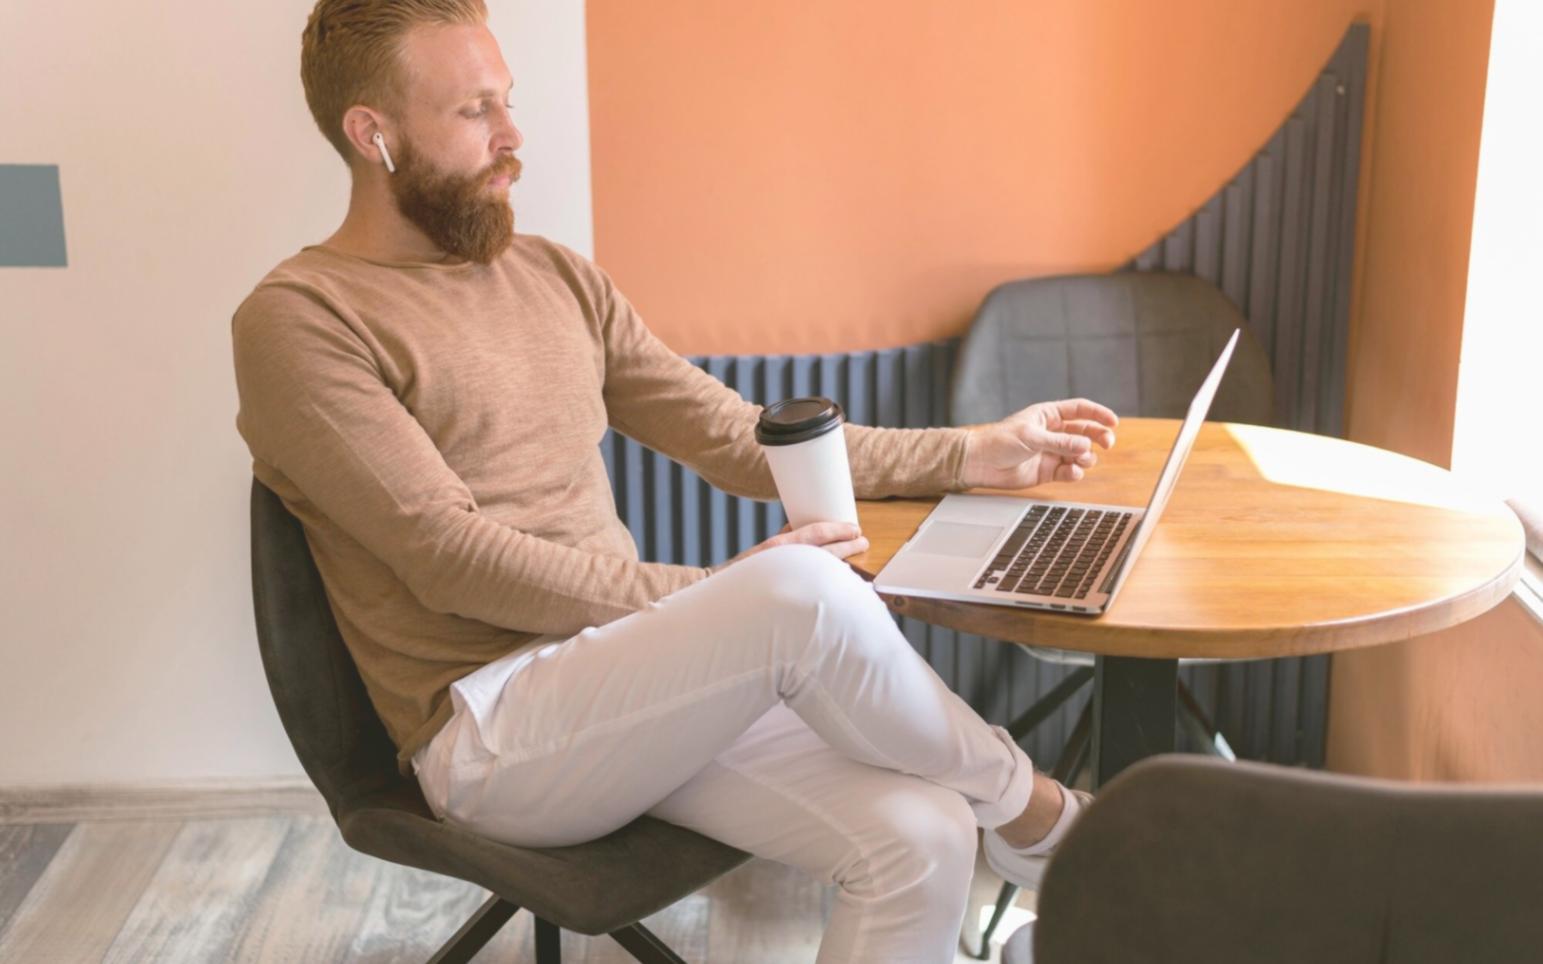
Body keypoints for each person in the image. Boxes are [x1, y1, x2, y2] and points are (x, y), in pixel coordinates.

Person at [231, 2, 1119, 960]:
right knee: (796, 591)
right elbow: (449, 559)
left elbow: (736, 439)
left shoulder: (554, 277)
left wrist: (967, 453)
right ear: (375, 135)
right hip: (493, 731)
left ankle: (1011, 819)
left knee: (922, 835)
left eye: (510, 101)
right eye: (475, 111)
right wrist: (717, 599)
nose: (511, 135)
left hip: (633, 690)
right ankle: (1040, 815)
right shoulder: (301, 320)